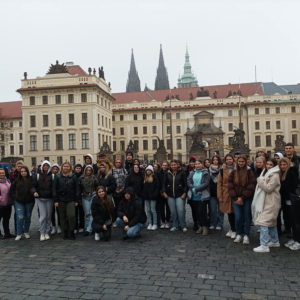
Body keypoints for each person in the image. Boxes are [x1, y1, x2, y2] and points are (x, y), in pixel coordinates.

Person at [252, 159, 281, 253]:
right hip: (267, 201)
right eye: (267, 164)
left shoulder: (275, 175)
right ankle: (275, 241)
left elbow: (268, 188)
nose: (269, 166)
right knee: (272, 223)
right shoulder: (267, 173)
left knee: (263, 222)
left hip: (272, 202)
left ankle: (264, 245)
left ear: (275, 165)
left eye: (271, 164)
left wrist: (260, 180)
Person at [228, 155, 256, 244]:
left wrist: (242, 197)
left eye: (242, 162)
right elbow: (230, 186)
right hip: (236, 198)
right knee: (238, 217)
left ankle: (246, 235)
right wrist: (236, 198)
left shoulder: (249, 172)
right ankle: (239, 234)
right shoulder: (233, 172)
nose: (241, 163)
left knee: (247, 217)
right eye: (239, 161)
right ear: (237, 162)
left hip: (247, 198)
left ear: (246, 162)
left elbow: (251, 187)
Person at [53, 162, 80, 240]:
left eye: (67, 166)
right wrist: (55, 200)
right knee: (62, 217)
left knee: (71, 216)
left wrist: (76, 200)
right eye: (64, 166)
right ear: (62, 167)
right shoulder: (58, 176)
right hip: (61, 200)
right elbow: (54, 189)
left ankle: (71, 231)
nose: (66, 168)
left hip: (71, 199)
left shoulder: (74, 177)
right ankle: (65, 232)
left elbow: (77, 189)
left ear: (70, 168)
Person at [31, 160, 56, 241]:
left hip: (50, 199)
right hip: (40, 198)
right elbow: (33, 186)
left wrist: (54, 196)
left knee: (49, 216)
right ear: (42, 166)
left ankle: (46, 231)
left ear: (49, 167)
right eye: (44, 165)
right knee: (43, 216)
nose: (45, 167)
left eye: (47, 165)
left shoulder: (52, 175)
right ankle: (42, 232)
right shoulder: (37, 175)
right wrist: (34, 192)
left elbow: (54, 187)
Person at [279, 158, 300, 250]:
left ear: (288, 164)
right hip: (287, 200)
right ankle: (294, 239)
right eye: (281, 165)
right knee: (290, 220)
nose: (283, 166)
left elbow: (292, 187)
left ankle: (298, 241)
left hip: (293, 200)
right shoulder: (283, 173)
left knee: (296, 222)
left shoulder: (291, 173)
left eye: (284, 164)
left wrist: (280, 188)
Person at [10, 166, 35, 241]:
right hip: (18, 201)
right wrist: (15, 197)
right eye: (21, 171)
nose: (23, 173)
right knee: (20, 217)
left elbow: (33, 188)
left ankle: (26, 232)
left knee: (28, 217)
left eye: (24, 171)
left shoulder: (31, 180)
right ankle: (19, 233)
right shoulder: (17, 180)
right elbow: (11, 190)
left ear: (27, 172)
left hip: (29, 201)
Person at [162, 160, 188, 232]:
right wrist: (164, 192)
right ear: (170, 166)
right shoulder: (167, 174)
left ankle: (183, 225)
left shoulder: (182, 173)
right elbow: (164, 184)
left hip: (180, 194)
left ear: (178, 165)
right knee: (173, 211)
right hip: (170, 195)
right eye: (172, 165)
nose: (173, 166)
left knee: (180, 210)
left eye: (174, 165)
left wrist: (185, 192)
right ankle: (175, 225)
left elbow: (186, 184)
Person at [187, 159, 211, 236]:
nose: (197, 165)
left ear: (202, 165)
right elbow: (189, 182)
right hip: (194, 195)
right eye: (196, 164)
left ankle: (205, 227)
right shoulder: (192, 172)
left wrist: (196, 189)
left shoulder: (205, 173)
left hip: (202, 195)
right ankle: (200, 226)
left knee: (202, 212)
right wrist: (193, 189)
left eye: (199, 164)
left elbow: (206, 183)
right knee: (197, 212)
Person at [218, 154, 237, 239]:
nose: (229, 161)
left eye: (230, 159)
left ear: (233, 160)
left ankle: (235, 229)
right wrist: (220, 195)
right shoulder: (222, 170)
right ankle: (232, 229)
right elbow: (219, 184)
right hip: (226, 192)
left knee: (236, 212)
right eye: (227, 159)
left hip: (235, 192)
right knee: (229, 212)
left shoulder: (237, 169)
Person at [78, 165, 99, 237]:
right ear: (85, 171)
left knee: (91, 213)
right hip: (85, 196)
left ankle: (89, 229)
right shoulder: (81, 178)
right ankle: (86, 227)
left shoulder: (95, 178)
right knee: (87, 214)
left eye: (90, 170)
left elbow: (97, 187)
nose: (88, 172)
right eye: (87, 170)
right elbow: (79, 188)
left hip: (93, 195)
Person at [109, 158, 128, 227]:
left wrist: (123, 189)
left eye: (119, 162)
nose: (118, 163)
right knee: (116, 206)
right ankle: (115, 220)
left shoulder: (124, 170)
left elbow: (126, 180)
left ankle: (123, 219)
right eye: (117, 162)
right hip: (115, 191)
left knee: (123, 206)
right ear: (114, 163)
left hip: (123, 191)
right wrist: (115, 189)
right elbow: (110, 181)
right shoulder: (111, 171)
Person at [209, 155, 224, 230]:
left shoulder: (222, 169)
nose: (215, 161)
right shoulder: (209, 169)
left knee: (221, 210)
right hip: (212, 192)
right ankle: (213, 223)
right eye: (214, 160)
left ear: (219, 161)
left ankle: (220, 224)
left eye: (216, 160)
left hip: (220, 192)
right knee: (213, 210)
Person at [142, 165, 159, 230]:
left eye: (149, 170)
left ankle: (155, 223)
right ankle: (149, 223)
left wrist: (155, 194)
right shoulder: (145, 178)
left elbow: (157, 187)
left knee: (153, 210)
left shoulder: (155, 178)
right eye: (147, 170)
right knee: (148, 210)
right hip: (146, 197)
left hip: (153, 196)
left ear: (152, 171)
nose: (148, 171)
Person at [0, 168, 14, 238]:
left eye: (3, 173)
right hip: (1, 204)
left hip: (8, 203)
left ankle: (7, 233)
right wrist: (1, 200)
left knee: (6, 219)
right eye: (0, 173)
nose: (2, 174)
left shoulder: (7, 181)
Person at [185, 157, 198, 230]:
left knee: (199, 208)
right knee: (193, 208)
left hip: (198, 191)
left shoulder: (200, 170)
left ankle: (200, 222)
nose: (192, 163)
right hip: (190, 192)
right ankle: (195, 222)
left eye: (194, 162)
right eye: (191, 162)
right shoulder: (187, 170)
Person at [50, 163, 62, 234]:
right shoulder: (49, 176)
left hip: (59, 196)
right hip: (51, 197)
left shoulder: (59, 176)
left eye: (56, 169)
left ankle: (59, 226)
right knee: (52, 212)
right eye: (53, 169)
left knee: (59, 212)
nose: (55, 170)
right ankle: (53, 226)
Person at [73, 164, 85, 234]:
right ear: (75, 169)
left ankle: (81, 226)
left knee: (81, 213)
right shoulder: (72, 176)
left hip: (82, 196)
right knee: (74, 213)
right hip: (74, 197)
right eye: (77, 168)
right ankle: (75, 227)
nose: (78, 169)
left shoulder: (83, 177)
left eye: (79, 168)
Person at [159, 161, 170, 229]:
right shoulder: (159, 173)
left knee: (168, 208)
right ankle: (163, 221)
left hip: (168, 193)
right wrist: (161, 191)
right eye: (163, 165)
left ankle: (167, 221)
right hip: (160, 193)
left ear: (168, 166)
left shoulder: (169, 173)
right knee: (161, 208)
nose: (164, 166)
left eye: (165, 165)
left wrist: (165, 192)